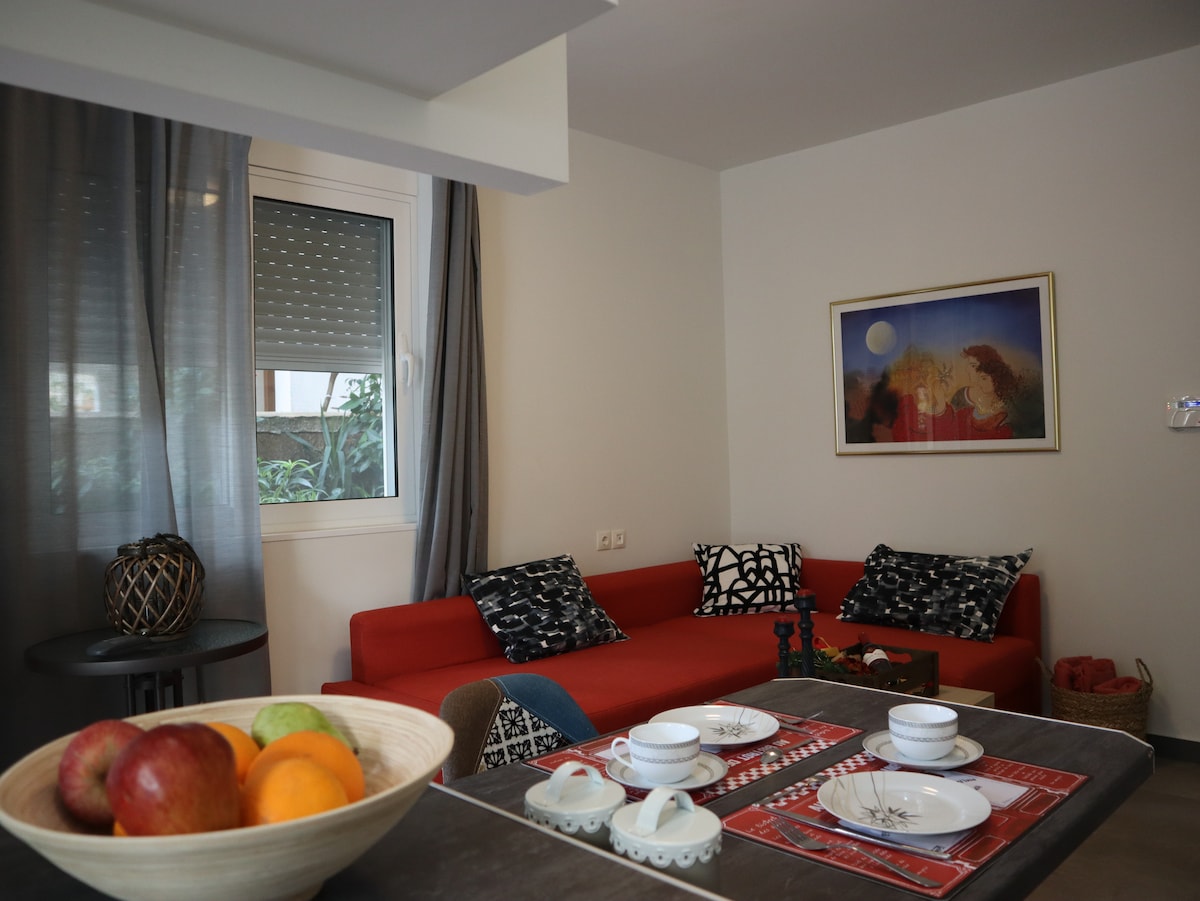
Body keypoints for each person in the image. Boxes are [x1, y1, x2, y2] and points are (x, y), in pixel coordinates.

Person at [950, 344, 1018, 440]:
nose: (967, 370)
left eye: (973, 366)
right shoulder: (961, 395)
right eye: (968, 365)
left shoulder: (1004, 406)